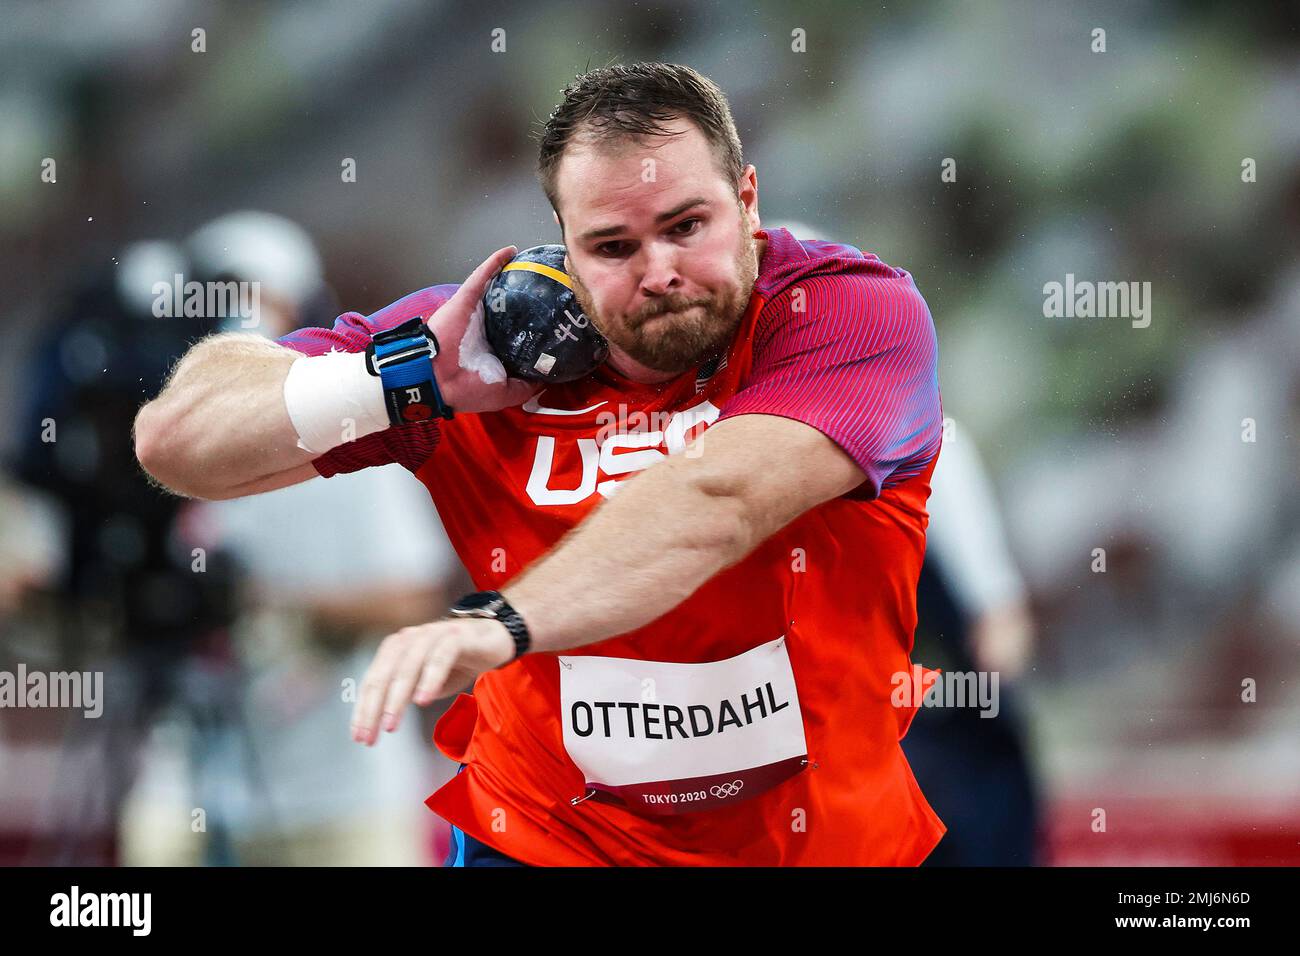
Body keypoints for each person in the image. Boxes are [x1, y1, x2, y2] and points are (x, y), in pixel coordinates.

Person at [134, 62, 945, 866]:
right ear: (565, 248)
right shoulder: (479, 345)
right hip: (547, 838)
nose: (657, 271)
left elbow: (718, 499)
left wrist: (503, 625)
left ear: (747, 201)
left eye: (687, 226)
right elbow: (177, 441)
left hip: (815, 844)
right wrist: (405, 384)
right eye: (613, 246)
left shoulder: (848, 314)